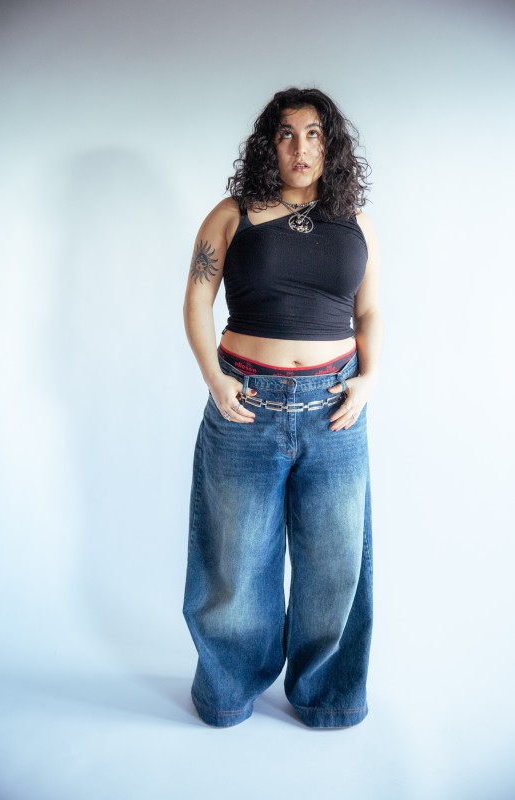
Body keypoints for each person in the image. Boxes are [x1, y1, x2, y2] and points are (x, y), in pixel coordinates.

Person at [182, 87, 382, 729]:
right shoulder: (233, 214)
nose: (301, 147)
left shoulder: (355, 221)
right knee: (236, 559)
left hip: (336, 409)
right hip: (246, 404)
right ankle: (228, 690)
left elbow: (370, 311)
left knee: (336, 561)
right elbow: (196, 300)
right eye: (287, 133)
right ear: (269, 144)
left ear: (331, 145)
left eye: (315, 133)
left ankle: (326, 696)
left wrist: (370, 379)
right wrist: (215, 381)